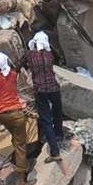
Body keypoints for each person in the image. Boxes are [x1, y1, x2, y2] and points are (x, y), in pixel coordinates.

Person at [23, 30, 65, 160]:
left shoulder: (29, 55)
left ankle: (55, 153)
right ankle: (59, 135)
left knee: (46, 120)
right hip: (54, 89)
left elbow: (19, 66)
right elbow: (58, 59)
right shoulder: (50, 54)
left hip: (41, 91)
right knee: (58, 112)